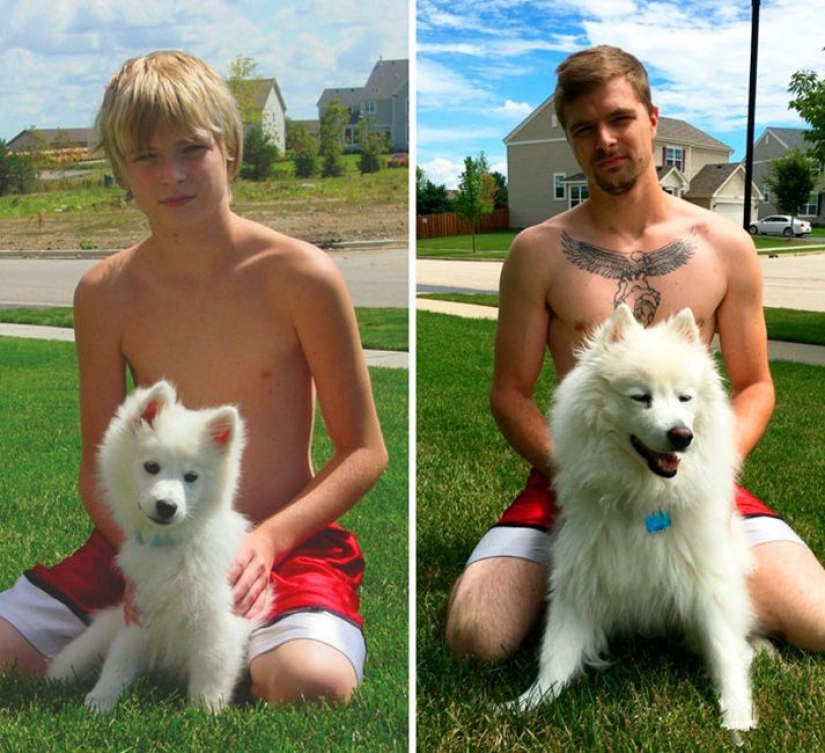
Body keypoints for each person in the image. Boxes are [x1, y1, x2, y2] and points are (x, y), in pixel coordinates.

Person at [0, 50, 388, 706]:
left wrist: (265, 540)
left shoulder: (301, 275)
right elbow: (100, 467)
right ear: (121, 172)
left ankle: (232, 642)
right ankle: (174, 640)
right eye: (145, 157)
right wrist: (144, 559)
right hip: (150, 536)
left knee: (310, 681)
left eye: (191, 148)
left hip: (281, 537)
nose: (172, 174)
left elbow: (363, 451)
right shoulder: (105, 292)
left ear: (229, 149)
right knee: (6, 652)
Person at [445, 45, 825, 663]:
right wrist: (577, 476)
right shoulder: (537, 252)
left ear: (653, 118)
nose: (605, 140)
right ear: (570, 141)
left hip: (693, 484)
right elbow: (509, 391)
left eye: (619, 118)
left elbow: (756, 384)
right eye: (584, 129)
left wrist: (706, 480)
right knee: (477, 638)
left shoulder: (725, 246)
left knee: (818, 621)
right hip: (574, 482)